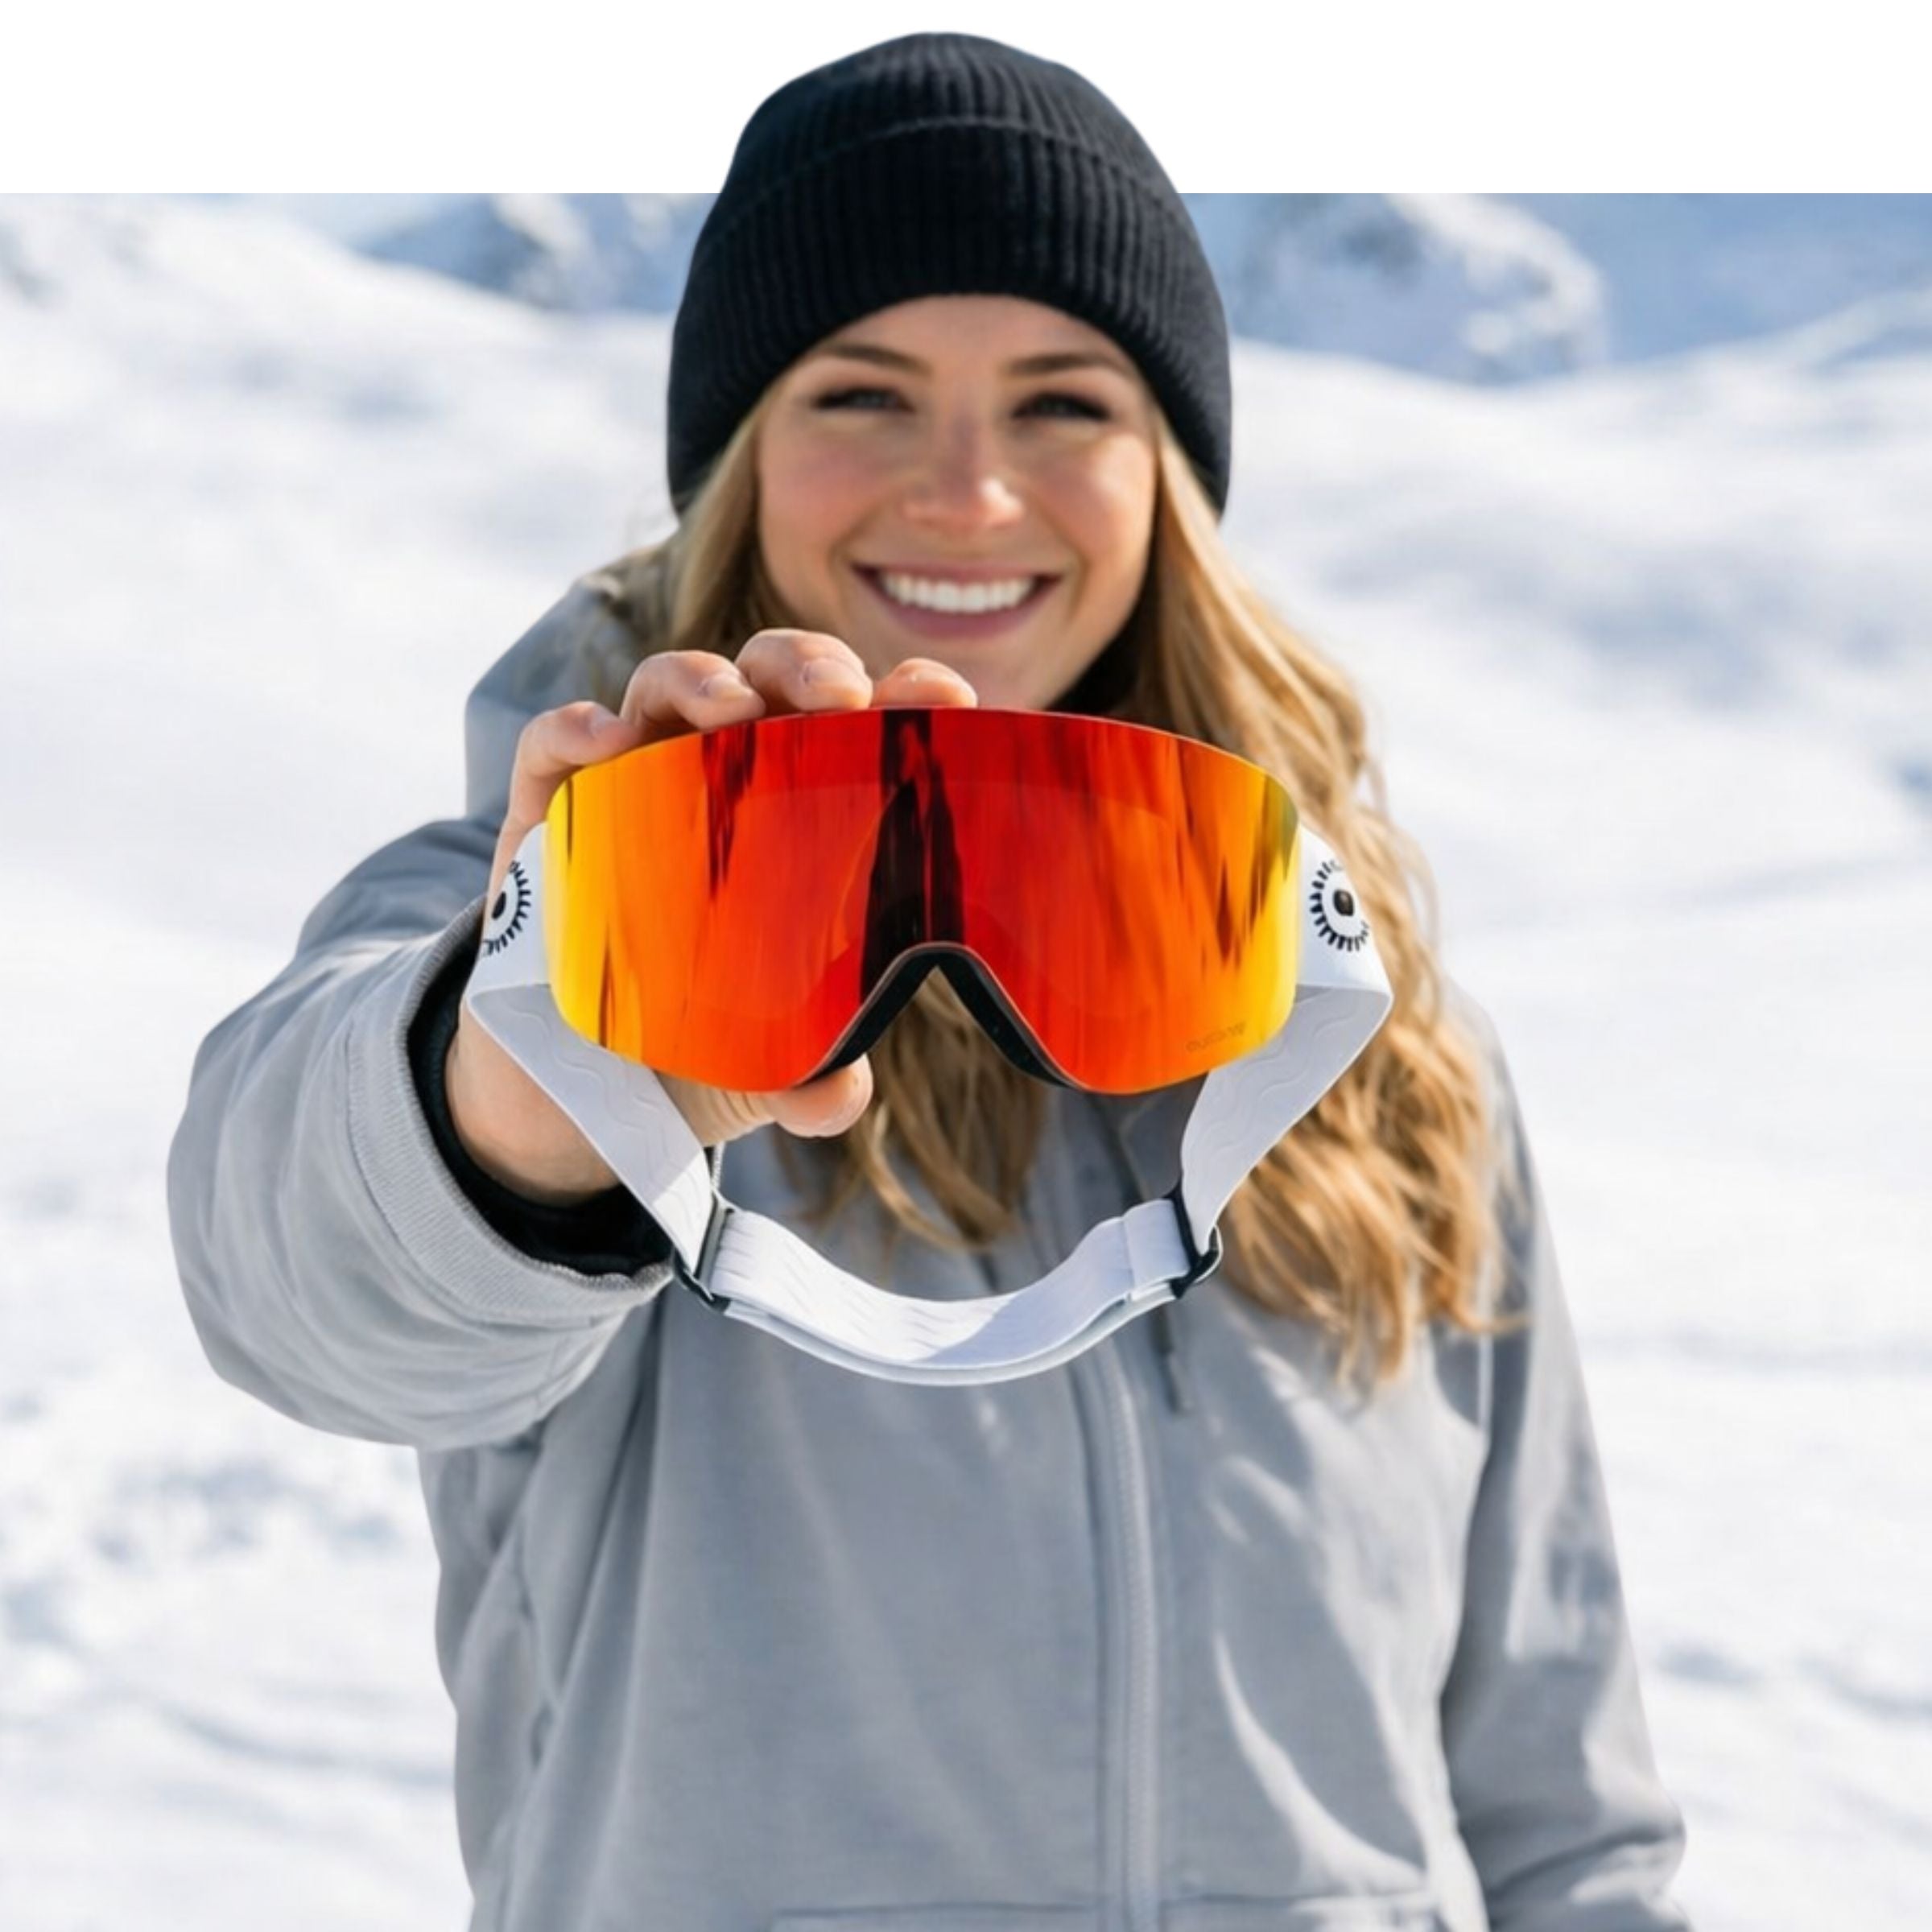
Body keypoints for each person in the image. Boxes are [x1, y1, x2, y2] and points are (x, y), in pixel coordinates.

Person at [167, 31, 1692, 1932]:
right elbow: (303, 1289)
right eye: (865, 394)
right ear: (735, 460)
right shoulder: (555, 919)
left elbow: (1567, 1804)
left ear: (1170, 477)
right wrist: (537, 1110)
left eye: (1064, 402)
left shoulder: (1370, 1033)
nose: (968, 492)